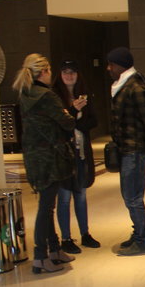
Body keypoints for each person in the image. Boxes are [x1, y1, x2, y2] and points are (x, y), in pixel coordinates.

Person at [13, 54, 76, 274]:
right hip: (50, 157)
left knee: (47, 205)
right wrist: (70, 112)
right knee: (46, 207)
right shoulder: (46, 96)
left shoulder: (26, 94)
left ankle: (54, 250)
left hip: (34, 157)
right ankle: (40, 255)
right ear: (44, 72)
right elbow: (67, 122)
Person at [107, 47, 145, 256]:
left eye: (111, 64)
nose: (108, 68)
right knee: (130, 194)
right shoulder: (123, 86)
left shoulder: (135, 87)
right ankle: (138, 232)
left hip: (135, 149)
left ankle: (142, 240)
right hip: (127, 148)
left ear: (120, 65)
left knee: (133, 196)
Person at [54, 60, 100, 253]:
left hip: (81, 152)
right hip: (64, 154)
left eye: (73, 72)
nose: (69, 76)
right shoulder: (55, 97)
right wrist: (73, 111)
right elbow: (60, 124)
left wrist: (78, 122)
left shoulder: (85, 95)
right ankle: (65, 237)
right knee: (64, 197)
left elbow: (93, 120)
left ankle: (85, 233)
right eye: (65, 72)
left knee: (81, 195)